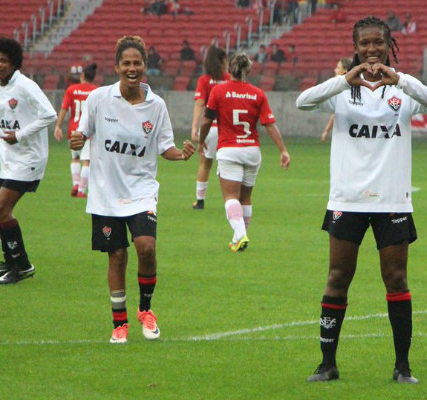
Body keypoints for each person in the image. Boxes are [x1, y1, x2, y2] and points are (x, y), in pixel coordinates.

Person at [296, 15, 427, 384]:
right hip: (347, 200)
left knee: (396, 279)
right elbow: (302, 102)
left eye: (378, 42)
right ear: (355, 47)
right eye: (364, 43)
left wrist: (403, 80)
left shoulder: (403, 92)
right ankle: (327, 364)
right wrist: (342, 80)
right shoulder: (343, 92)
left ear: (388, 44)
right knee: (337, 277)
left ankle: (402, 367)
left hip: (392, 202)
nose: (372, 49)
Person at [69, 36, 195, 344]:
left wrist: (181, 154)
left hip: (141, 190)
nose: (132, 68)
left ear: (145, 67)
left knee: (146, 247)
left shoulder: (156, 106)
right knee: (117, 255)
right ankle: (119, 322)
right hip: (106, 194)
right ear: (116, 67)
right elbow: (82, 132)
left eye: (137, 63)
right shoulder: (98, 98)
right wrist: (77, 139)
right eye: (126, 63)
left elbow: (165, 147)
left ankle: (146, 310)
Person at [0, 37, 58, 284]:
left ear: (14, 62)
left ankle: (23, 265)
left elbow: (49, 114)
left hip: (29, 158)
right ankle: (10, 261)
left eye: (3, 60)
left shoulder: (26, 86)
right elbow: (0, 123)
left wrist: (21, 135)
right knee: (1, 212)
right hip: (9, 158)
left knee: (0, 208)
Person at [198, 52, 290, 252]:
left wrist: (201, 139)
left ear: (229, 70)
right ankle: (238, 239)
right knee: (245, 198)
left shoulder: (218, 91)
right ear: (248, 70)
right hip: (252, 151)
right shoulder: (258, 93)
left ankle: (240, 235)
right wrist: (283, 150)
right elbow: (270, 125)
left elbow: (206, 120)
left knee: (230, 196)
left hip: (229, 149)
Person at [190, 47, 230, 210]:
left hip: (210, 127)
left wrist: (194, 127)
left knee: (205, 163)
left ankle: (200, 201)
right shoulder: (229, 79)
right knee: (227, 165)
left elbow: (200, 103)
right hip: (227, 128)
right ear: (222, 61)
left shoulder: (204, 80)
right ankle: (230, 200)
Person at [54, 62, 99, 198]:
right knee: (87, 161)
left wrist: (58, 126)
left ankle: (75, 183)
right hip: (88, 132)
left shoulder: (72, 89)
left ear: (83, 75)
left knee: (75, 158)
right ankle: (81, 190)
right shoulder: (96, 91)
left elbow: (64, 108)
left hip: (73, 129)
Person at [321, 57, 351, 141]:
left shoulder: (344, 91)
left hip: (347, 133)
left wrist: (326, 130)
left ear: (345, 71)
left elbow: (336, 113)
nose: (335, 70)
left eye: (338, 68)